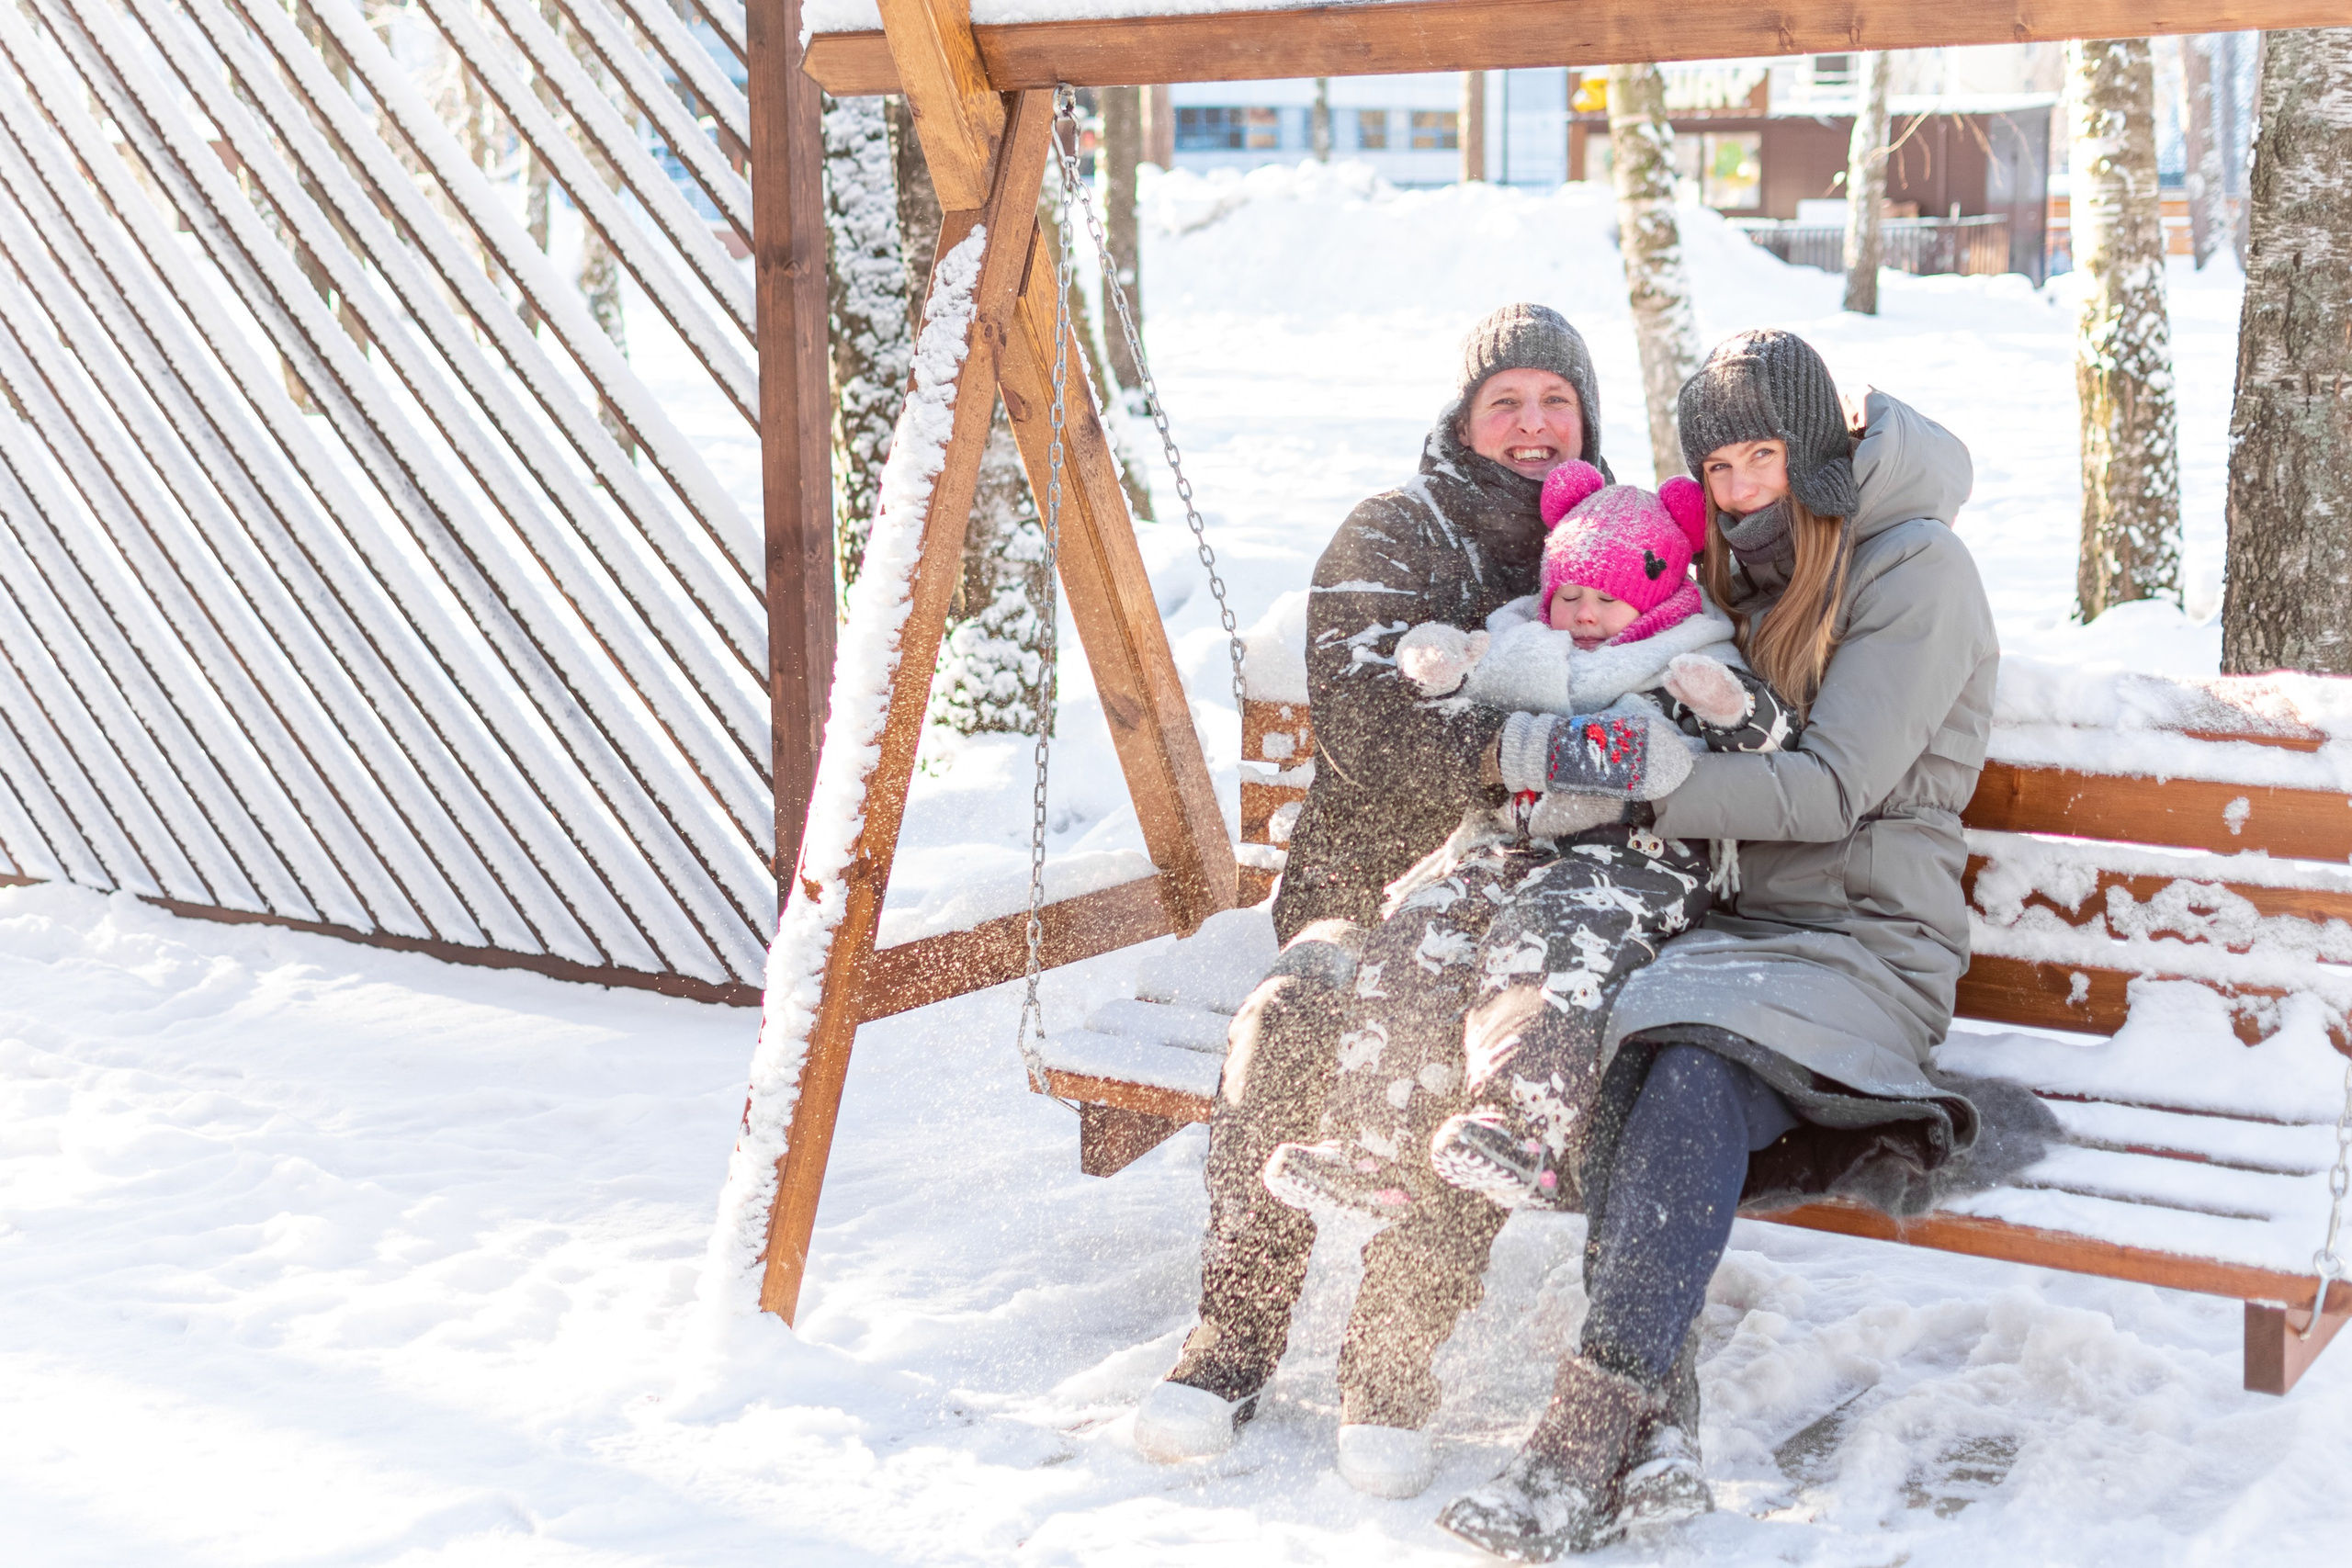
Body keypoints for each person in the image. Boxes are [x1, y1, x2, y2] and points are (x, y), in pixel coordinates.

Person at [1433, 329, 2001, 1561]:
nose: (1741, 488)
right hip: (1728, 925)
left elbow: (1832, 789)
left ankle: (1577, 1439)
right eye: (1720, 465)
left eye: (1764, 456)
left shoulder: (1919, 569)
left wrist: (1636, 789)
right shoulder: (1753, 559)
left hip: (1859, 941)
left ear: (1821, 446)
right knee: (1610, 1055)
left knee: (1682, 1065)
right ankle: (1663, 1433)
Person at [1133, 304, 1611, 1492]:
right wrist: (1535, 743)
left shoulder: (1611, 539)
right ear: (1464, 417)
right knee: (1292, 1015)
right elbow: (1374, 735)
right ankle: (1231, 1338)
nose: (1535, 423)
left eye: (1558, 399)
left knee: (1476, 1053)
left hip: (1518, 908)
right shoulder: (1392, 533)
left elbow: (1653, 706)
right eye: (1508, 400)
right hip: (1356, 891)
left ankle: (1392, 1357)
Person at [1259, 463, 1800, 1228]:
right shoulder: (1522, 647)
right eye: (1569, 595)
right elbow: (1451, 695)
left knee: (1541, 940)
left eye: (1606, 599)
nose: (1582, 614)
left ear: (1651, 596)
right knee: (1422, 931)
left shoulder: (1685, 653)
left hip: (1633, 861)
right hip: (1513, 848)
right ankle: (1371, 1146)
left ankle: (1522, 1127)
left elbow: (1772, 739)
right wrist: (1441, 668)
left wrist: (1731, 706)